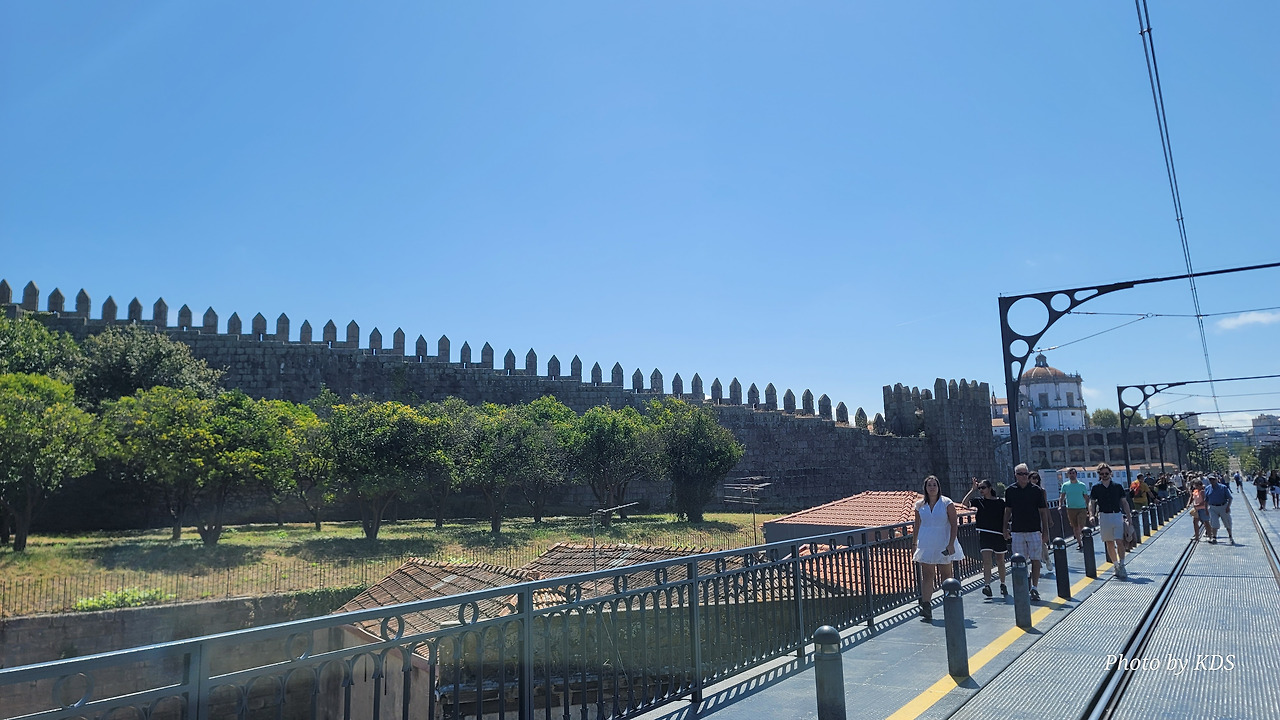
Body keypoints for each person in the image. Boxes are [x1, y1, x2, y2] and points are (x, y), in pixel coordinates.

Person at [913, 475, 964, 622]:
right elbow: (917, 525)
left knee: (946, 574)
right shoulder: (919, 505)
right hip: (926, 543)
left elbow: (954, 524)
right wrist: (914, 544)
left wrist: (951, 543)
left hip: (943, 541)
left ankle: (950, 603)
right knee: (927, 575)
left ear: (938, 487)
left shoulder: (947, 503)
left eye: (934, 485)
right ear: (925, 488)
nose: (932, 487)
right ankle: (926, 606)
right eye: (929, 485)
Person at [1004, 463, 1049, 600]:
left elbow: (1043, 511)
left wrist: (1045, 531)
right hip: (1017, 530)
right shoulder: (1010, 490)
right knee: (1019, 561)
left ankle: (1034, 587)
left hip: (1034, 529)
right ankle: (1024, 585)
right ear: (1016, 475)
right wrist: (1004, 527)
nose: (1023, 476)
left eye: (1025, 474)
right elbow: (1008, 510)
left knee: (1036, 559)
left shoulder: (1036, 490)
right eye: (1020, 474)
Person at [963, 477, 1007, 597]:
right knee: (987, 561)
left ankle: (1003, 584)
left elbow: (1006, 516)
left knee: (1000, 561)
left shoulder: (1000, 502)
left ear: (990, 488)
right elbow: (965, 504)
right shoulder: (979, 501)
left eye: (983, 487)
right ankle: (987, 585)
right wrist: (972, 490)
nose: (981, 490)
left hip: (998, 534)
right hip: (985, 534)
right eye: (979, 488)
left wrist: (1006, 530)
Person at [1088, 463, 1133, 578]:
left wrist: (1129, 517)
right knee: (1109, 542)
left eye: (1106, 473)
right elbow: (1091, 502)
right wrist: (1091, 515)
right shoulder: (1096, 488)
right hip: (1104, 516)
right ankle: (1116, 565)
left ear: (1110, 473)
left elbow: (1124, 502)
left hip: (1117, 515)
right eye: (1102, 473)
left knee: (1119, 541)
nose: (1104, 475)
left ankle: (1122, 565)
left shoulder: (1117, 486)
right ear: (1099, 474)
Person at [1059, 468, 1090, 551]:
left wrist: (1089, 508)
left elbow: (1086, 497)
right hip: (1070, 508)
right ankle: (1079, 543)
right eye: (1070, 473)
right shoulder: (1065, 485)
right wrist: (1060, 506)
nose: (1072, 475)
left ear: (1076, 474)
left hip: (1081, 508)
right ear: (1068, 475)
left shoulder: (1082, 485)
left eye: (1073, 473)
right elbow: (1062, 497)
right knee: (1075, 527)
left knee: (1081, 525)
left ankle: (1085, 541)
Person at [1203, 474, 1234, 545]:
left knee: (1227, 522)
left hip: (1223, 507)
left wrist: (1228, 507)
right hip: (1212, 507)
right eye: (1210, 480)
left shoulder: (1223, 487)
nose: (1212, 481)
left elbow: (1230, 498)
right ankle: (1214, 538)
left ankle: (1230, 536)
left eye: (1213, 479)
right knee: (1214, 523)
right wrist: (1206, 509)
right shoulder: (1207, 488)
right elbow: (1206, 500)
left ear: (1216, 479)